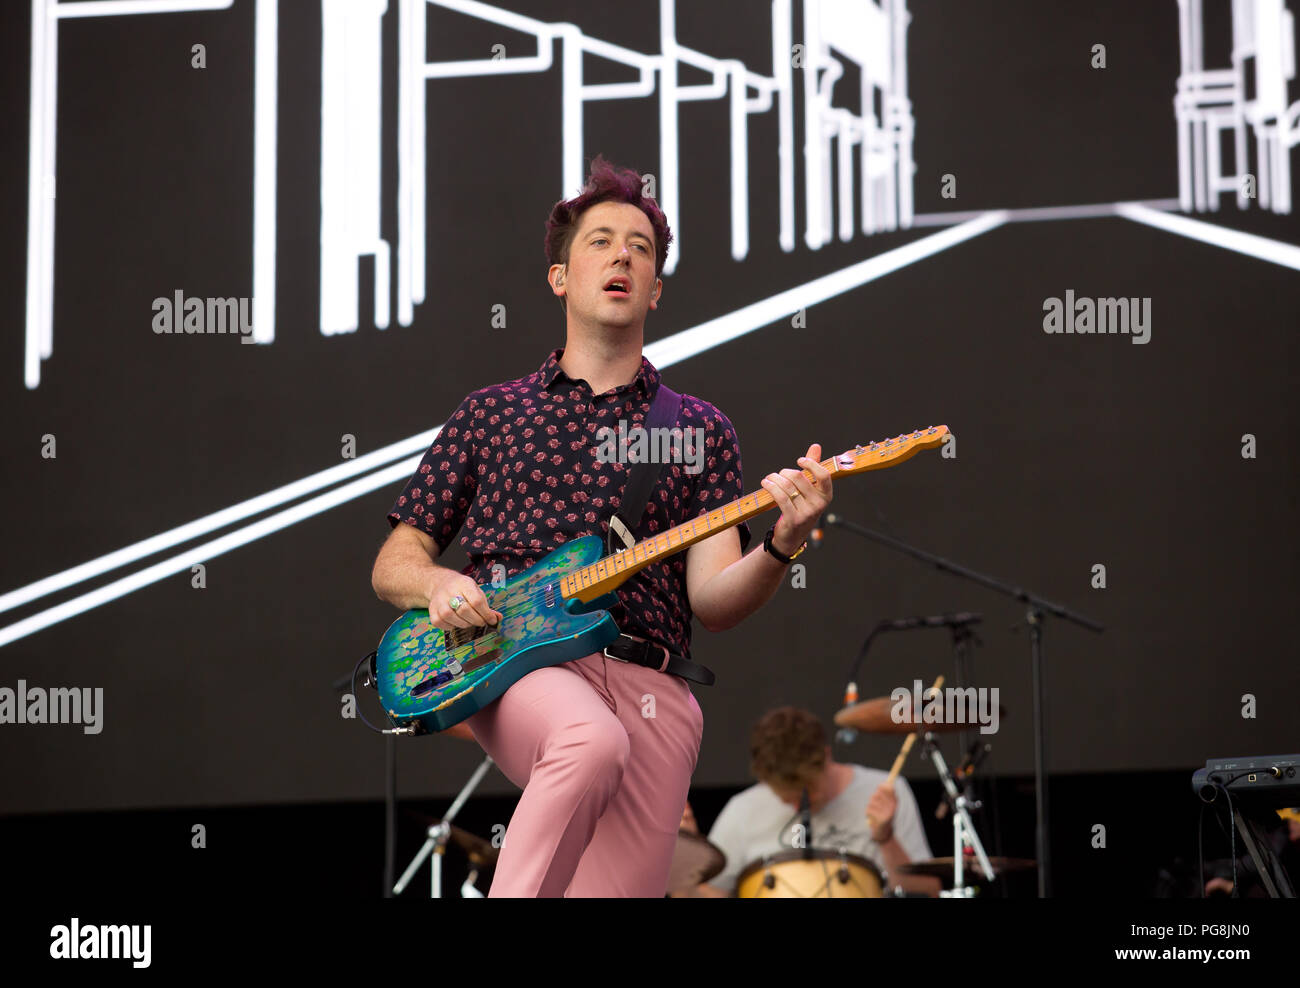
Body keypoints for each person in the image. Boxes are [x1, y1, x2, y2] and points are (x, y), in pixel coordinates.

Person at [370, 156, 834, 897]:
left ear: (656, 290)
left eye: (641, 248)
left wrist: (784, 542)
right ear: (560, 278)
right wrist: (439, 585)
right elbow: (397, 557)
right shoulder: (491, 413)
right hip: (519, 654)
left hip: (655, 688)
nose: (622, 254)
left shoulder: (700, 429)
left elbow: (713, 598)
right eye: (600, 241)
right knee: (589, 741)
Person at [682, 706, 940, 897]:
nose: (798, 807)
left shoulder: (884, 792)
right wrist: (685, 860)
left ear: (826, 757)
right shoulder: (743, 809)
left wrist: (886, 838)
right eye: (786, 798)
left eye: (806, 793)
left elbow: (928, 890)